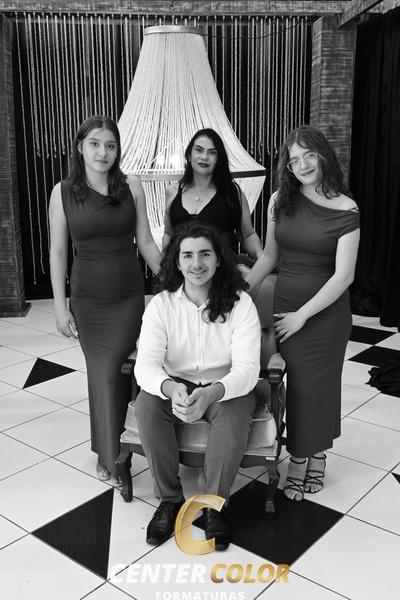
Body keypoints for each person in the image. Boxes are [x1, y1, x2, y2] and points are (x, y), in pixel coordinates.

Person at [246, 125, 360, 502]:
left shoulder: (346, 208)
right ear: (288, 167)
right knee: (296, 388)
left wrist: (302, 316)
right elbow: (269, 257)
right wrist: (239, 291)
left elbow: (344, 277)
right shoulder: (280, 200)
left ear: (323, 154)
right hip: (285, 308)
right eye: (294, 160)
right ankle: (306, 452)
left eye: (309, 155)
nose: (303, 164)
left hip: (324, 315)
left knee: (318, 388)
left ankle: (308, 457)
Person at [49, 115, 161, 486]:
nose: (103, 152)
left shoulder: (132, 186)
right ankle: (110, 455)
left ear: (118, 151)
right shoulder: (62, 192)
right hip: (88, 300)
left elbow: (146, 242)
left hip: (127, 297)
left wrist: (176, 281)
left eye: (110, 145)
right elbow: (57, 252)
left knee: (120, 375)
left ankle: (119, 447)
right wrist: (60, 306)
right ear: (80, 147)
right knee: (103, 376)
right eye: (95, 144)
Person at [134, 222, 260, 549]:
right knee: (147, 406)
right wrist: (168, 388)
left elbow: (247, 369)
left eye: (205, 254)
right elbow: (145, 364)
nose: (196, 263)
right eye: (187, 255)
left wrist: (212, 393)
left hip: (225, 386)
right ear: (177, 262)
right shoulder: (161, 305)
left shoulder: (241, 303)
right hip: (176, 383)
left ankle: (213, 505)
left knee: (234, 412)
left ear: (218, 259)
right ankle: (170, 500)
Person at [162, 128, 263, 259]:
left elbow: (248, 235)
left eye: (212, 152)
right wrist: (164, 263)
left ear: (219, 159)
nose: (204, 157)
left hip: (224, 269)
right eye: (199, 150)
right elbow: (168, 234)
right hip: (181, 270)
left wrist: (261, 256)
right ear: (189, 155)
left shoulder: (232, 192)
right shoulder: (172, 191)